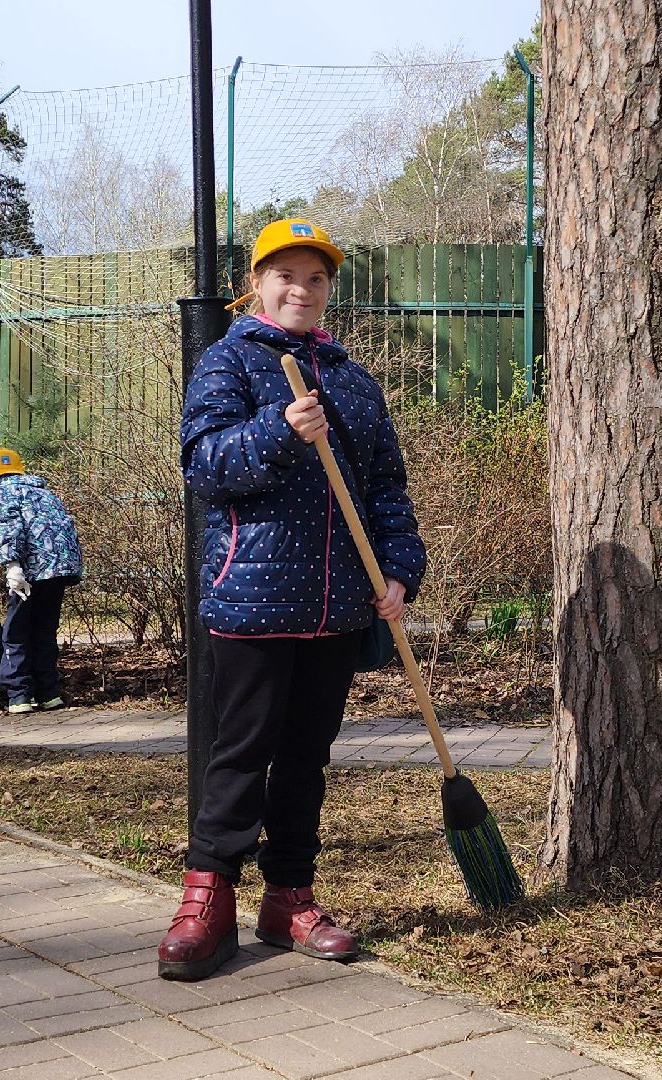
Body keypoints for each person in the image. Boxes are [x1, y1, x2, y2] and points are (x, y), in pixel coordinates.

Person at [160, 217, 425, 981]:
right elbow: (204, 467)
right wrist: (278, 430)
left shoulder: (351, 378)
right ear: (258, 282)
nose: (300, 289)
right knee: (239, 755)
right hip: (249, 597)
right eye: (286, 275)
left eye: (315, 278)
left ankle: (289, 899)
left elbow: (385, 487)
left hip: (339, 602)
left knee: (306, 758)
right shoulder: (228, 364)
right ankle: (205, 900)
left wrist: (400, 568)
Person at [0, 447, 83, 714]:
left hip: (30, 571)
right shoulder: (43, 492)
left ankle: (19, 696)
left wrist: (12, 566)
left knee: (16, 631)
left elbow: (8, 529)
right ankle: (49, 694)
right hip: (61, 568)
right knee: (44, 629)